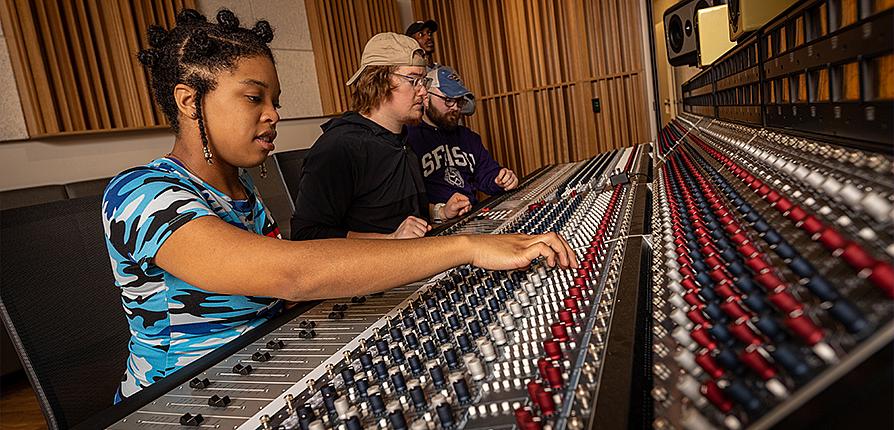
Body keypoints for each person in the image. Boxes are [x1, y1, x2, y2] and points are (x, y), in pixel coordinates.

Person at [102, 9, 577, 401]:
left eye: (276, 100)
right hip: (179, 399)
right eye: (253, 98)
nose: (273, 114)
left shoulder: (241, 191)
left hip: (268, 371)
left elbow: (288, 294)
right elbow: (288, 272)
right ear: (189, 101)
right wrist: (467, 248)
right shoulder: (139, 193)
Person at [289, 33, 432, 240]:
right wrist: (389, 240)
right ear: (380, 80)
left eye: (424, 81)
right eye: (413, 80)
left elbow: (399, 216)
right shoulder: (339, 147)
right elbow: (307, 235)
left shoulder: (403, 141)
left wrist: (438, 212)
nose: (423, 93)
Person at [408, 66, 518, 223]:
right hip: (434, 226)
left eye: (459, 101)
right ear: (426, 98)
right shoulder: (409, 139)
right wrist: (440, 212)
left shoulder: (469, 138)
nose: (455, 108)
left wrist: (501, 180)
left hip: (472, 220)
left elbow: (487, 175)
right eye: (448, 100)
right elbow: (406, 203)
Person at [405, 19, 476, 116]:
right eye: (421, 34)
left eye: (429, 33)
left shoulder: (448, 71)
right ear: (411, 42)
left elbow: (470, 106)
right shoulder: (411, 74)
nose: (428, 37)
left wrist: (442, 101)